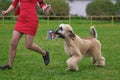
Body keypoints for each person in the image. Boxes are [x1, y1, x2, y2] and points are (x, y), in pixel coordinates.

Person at [0, 0, 51, 70]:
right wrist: (7, 11)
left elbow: (41, 4)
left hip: (31, 21)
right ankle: (9, 65)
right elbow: (14, 4)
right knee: (13, 44)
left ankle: (44, 53)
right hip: (21, 20)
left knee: (28, 45)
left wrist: (45, 8)